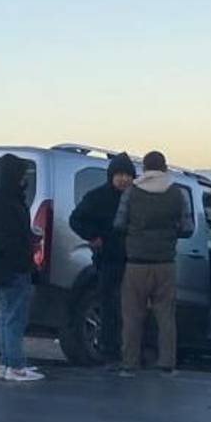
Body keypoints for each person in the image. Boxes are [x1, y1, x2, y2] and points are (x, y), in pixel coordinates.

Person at [113, 150, 194, 377]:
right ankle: (167, 362)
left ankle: (129, 363)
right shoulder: (177, 193)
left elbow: (119, 224)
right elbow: (188, 228)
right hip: (165, 262)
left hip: (136, 263)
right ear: (165, 168)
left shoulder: (131, 192)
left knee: (132, 316)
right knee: (166, 316)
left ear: (144, 168)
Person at [69, 152, 136, 366]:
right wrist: (93, 237)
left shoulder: (137, 198)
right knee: (109, 307)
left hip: (133, 261)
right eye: (119, 175)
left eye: (128, 175)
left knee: (131, 308)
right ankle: (109, 352)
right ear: (111, 176)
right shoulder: (97, 197)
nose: (123, 179)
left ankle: (131, 351)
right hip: (108, 260)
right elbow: (76, 220)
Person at [0, 154, 44, 381]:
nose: (25, 178)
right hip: (12, 270)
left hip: (2, 269)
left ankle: (8, 364)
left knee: (6, 317)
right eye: (23, 174)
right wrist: (27, 260)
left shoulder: (2, 200)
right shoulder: (7, 203)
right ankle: (15, 366)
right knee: (15, 319)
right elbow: (11, 240)